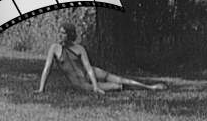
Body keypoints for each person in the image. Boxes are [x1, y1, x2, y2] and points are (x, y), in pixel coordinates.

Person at [36, 23, 167, 94]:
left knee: (119, 79)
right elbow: (47, 69)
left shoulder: (80, 48)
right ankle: (130, 88)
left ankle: (150, 87)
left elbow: (88, 68)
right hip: (80, 84)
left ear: (70, 34)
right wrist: (41, 89)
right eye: (59, 32)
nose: (60, 35)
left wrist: (95, 86)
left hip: (90, 74)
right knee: (117, 86)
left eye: (63, 33)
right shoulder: (54, 48)